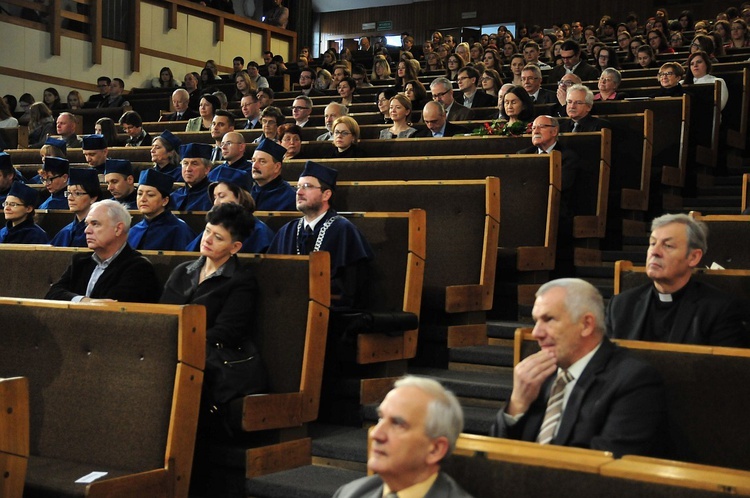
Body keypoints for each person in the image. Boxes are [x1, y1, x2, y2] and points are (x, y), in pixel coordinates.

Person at [491, 278, 668, 457]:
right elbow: (493, 455)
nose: (536, 333)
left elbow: (603, 469)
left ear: (586, 324)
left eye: (549, 319)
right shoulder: (538, 375)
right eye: (536, 321)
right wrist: (518, 404)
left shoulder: (633, 381)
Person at [606, 214, 749, 348]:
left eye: (668, 246)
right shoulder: (621, 305)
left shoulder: (719, 310)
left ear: (693, 257)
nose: (655, 252)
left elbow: (725, 371)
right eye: (652, 243)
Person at [332, 376, 471, 498]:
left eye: (398, 424)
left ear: (435, 449)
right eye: (380, 418)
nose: (376, 434)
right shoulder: (349, 493)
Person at [267, 161, 373, 309]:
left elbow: (351, 287)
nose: (299, 192)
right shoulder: (287, 231)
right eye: (298, 187)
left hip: (329, 312)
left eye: (307, 186)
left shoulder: (343, 230)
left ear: (326, 194)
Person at [46, 199, 161, 302]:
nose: (86, 230)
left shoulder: (138, 267)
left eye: (95, 224)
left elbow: (112, 309)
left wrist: (77, 300)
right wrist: (84, 301)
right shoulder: (80, 261)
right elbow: (53, 293)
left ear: (118, 229)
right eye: (87, 224)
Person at [185, 166, 274, 253]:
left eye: (222, 196)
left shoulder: (260, 232)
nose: (216, 203)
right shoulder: (214, 226)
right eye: (214, 197)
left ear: (239, 197)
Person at [128, 169, 196, 251]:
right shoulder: (133, 230)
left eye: (150, 195)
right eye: (139, 194)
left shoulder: (179, 230)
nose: (143, 199)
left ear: (165, 201)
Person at [50, 168, 101, 247]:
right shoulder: (65, 232)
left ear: (93, 198)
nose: (70, 198)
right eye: (69, 193)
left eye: (77, 193)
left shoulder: (101, 232)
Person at [250, 138, 294, 210]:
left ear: (277, 167)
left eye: (262, 161)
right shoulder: (246, 193)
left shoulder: (289, 197)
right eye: (253, 161)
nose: (254, 166)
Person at [170, 143, 214, 211]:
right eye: (185, 163)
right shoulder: (174, 196)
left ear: (207, 169)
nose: (188, 169)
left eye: (194, 164)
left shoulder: (213, 195)